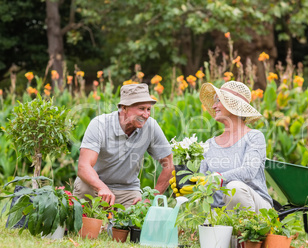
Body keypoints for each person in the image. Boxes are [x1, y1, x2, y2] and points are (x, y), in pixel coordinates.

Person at [171, 81, 273, 213]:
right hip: (220, 213)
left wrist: (216, 178)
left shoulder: (254, 137)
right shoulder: (209, 144)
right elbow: (204, 184)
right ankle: (228, 230)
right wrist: (187, 187)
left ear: (233, 104)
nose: (214, 106)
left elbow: (248, 171)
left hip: (258, 209)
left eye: (218, 100)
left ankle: (248, 232)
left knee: (234, 188)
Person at [74, 83, 174, 208]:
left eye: (148, 109)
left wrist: (150, 199)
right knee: (88, 226)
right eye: (141, 109)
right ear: (124, 108)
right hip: (93, 187)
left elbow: (169, 164)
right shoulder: (100, 124)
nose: (146, 114)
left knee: (135, 223)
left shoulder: (151, 127)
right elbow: (83, 166)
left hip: (127, 192)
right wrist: (102, 187)